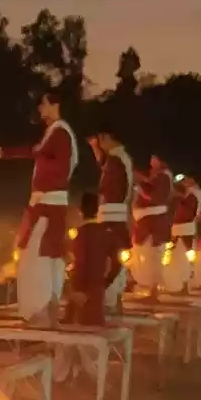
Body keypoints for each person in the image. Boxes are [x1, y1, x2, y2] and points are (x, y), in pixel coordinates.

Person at [0, 90, 77, 327]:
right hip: (50, 206)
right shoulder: (59, 133)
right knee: (50, 260)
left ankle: (40, 315)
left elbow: (36, 151)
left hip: (47, 206)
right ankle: (49, 314)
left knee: (35, 259)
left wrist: (4, 153)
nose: (40, 108)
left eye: (43, 103)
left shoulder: (59, 132)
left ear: (55, 105)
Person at [90, 127, 133, 311]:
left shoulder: (116, 160)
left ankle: (110, 304)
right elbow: (104, 164)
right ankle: (113, 302)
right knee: (115, 263)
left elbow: (107, 181)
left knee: (110, 262)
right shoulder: (119, 158)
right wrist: (95, 148)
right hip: (114, 216)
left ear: (107, 137)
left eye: (100, 140)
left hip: (112, 218)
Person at [62, 191, 120, 326]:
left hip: (81, 291)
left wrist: (78, 290)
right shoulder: (108, 234)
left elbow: (80, 263)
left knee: (78, 333)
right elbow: (117, 264)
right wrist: (105, 282)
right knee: (95, 329)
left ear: (80, 211)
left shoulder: (82, 234)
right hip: (97, 288)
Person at [130, 153, 173, 294]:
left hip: (152, 224)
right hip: (148, 222)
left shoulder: (163, 177)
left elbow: (154, 196)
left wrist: (141, 181)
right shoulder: (157, 177)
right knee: (147, 257)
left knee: (152, 257)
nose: (151, 162)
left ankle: (153, 290)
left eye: (154, 158)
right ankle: (150, 289)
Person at [162, 174, 201, 293]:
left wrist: (178, 198)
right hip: (181, 227)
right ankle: (165, 278)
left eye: (187, 179)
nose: (185, 181)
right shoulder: (191, 193)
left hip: (185, 227)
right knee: (171, 251)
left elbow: (187, 210)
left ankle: (188, 280)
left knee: (187, 253)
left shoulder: (193, 194)